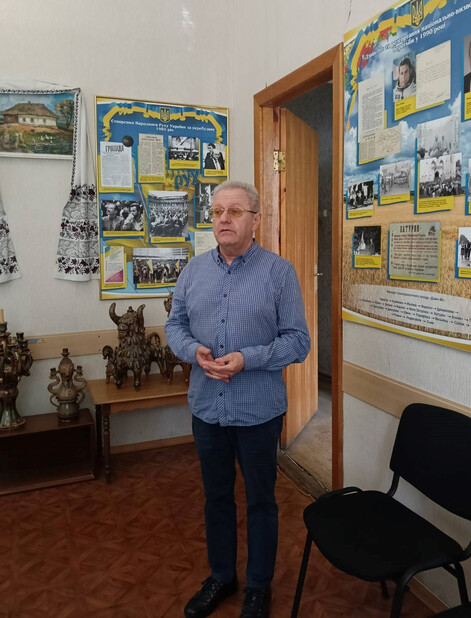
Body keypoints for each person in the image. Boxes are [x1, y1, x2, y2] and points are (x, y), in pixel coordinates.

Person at [166, 180, 310, 618]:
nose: (223, 219)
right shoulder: (193, 271)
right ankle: (222, 577)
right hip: (207, 409)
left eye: (234, 211)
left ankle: (259, 587)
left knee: (261, 501)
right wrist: (193, 350)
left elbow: (298, 341)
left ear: (256, 220)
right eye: (217, 212)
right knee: (216, 498)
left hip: (258, 412)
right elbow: (175, 327)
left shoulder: (279, 273)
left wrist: (248, 359)